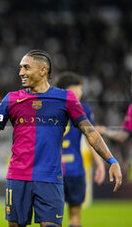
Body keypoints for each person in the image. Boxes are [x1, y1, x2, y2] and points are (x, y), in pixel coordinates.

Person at [0, 50, 122, 227]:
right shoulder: (11, 99)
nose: (21, 73)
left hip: (50, 179)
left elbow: (90, 132)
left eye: (26, 67)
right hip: (18, 177)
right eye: (20, 68)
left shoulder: (66, 98)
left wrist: (111, 160)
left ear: (43, 70)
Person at [56, 72, 105, 227]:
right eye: (79, 88)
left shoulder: (50, 107)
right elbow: (91, 138)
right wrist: (100, 163)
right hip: (75, 168)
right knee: (75, 216)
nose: (81, 92)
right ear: (71, 90)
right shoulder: (83, 109)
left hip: (53, 170)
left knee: (50, 218)